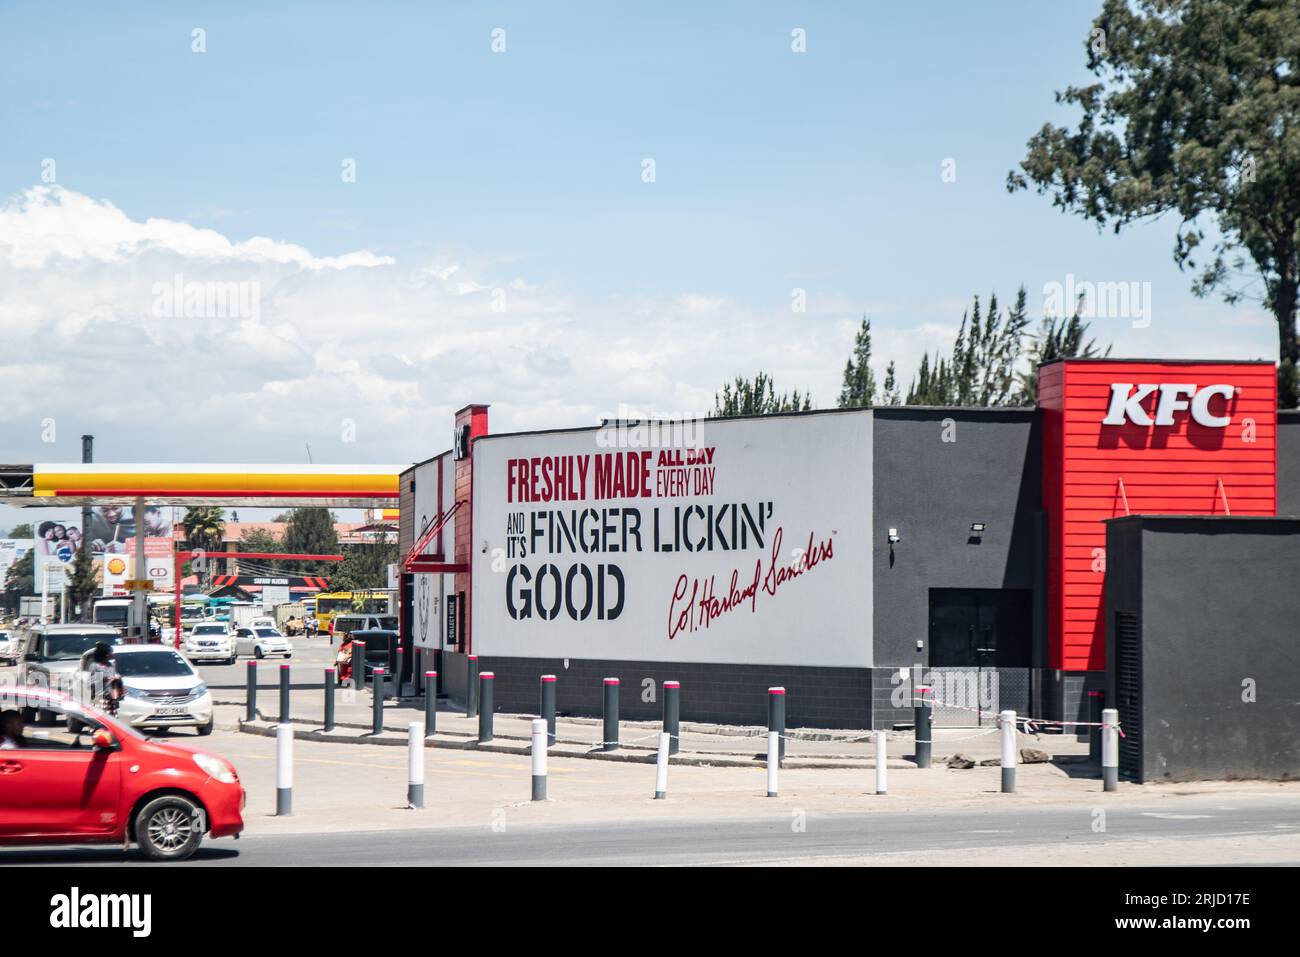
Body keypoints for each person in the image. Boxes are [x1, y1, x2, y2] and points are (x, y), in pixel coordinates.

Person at [88, 642, 123, 715]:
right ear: (106, 655)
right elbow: (91, 683)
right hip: (101, 698)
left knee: (113, 719)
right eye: (111, 652)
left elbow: (115, 680)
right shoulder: (94, 666)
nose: (113, 654)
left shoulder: (111, 665)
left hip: (112, 697)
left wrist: (118, 678)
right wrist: (105, 678)